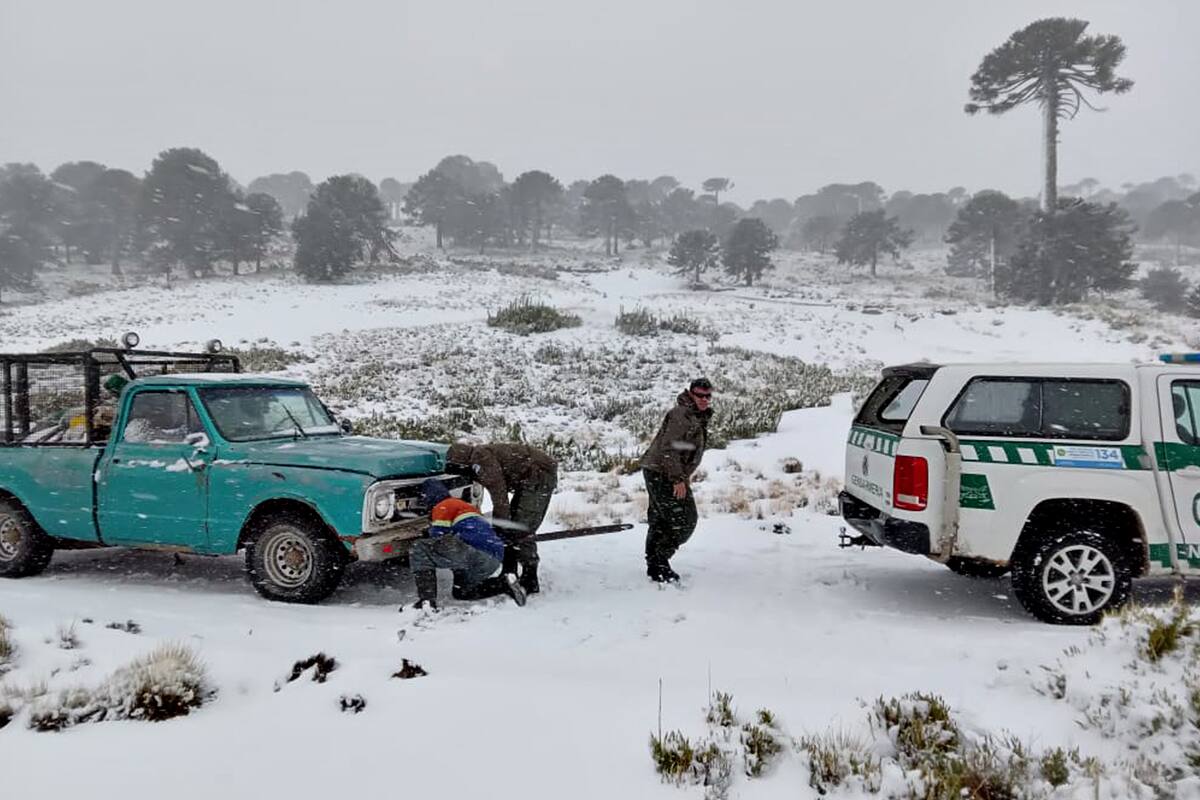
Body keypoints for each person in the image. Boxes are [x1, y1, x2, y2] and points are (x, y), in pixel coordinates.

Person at [446, 441, 558, 595]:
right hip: (530, 478)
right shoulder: (479, 457)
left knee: (521, 528)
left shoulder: (481, 461)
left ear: (462, 461)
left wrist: (500, 526)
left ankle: (529, 577)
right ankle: (511, 573)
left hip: (538, 477)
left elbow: (500, 497)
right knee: (514, 528)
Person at [407, 478, 526, 610]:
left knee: (419, 548)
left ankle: (426, 601)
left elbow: (439, 537)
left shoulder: (442, 506)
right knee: (461, 592)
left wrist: (426, 533)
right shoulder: (466, 506)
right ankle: (503, 584)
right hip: (493, 558)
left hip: (474, 553)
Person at [639, 378, 714, 583]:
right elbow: (669, 449)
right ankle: (659, 561)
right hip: (662, 473)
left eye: (708, 396)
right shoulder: (682, 415)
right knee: (685, 520)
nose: (705, 400)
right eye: (700, 395)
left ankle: (655, 566)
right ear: (691, 394)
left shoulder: (694, 415)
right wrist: (677, 479)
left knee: (661, 520)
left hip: (658, 471)